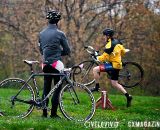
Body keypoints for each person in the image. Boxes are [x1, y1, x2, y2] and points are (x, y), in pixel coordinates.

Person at [38, 10, 71, 118]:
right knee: (57, 88)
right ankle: (53, 114)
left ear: (48, 20)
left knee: (46, 87)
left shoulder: (41, 33)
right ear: (57, 21)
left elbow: (41, 50)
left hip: (45, 64)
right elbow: (67, 50)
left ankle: (44, 114)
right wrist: (58, 52)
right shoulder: (60, 33)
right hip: (56, 63)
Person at [90, 28, 132, 107]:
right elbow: (122, 52)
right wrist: (116, 57)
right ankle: (128, 96)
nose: (104, 37)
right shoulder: (118, 42)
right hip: (117, 64)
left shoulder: (109, 45)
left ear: (108, 36)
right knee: (114, 83)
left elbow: (104, 57)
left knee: (95, 69)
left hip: (113, 65)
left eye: (104, 36)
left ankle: (97, 87)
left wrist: (97, 58)